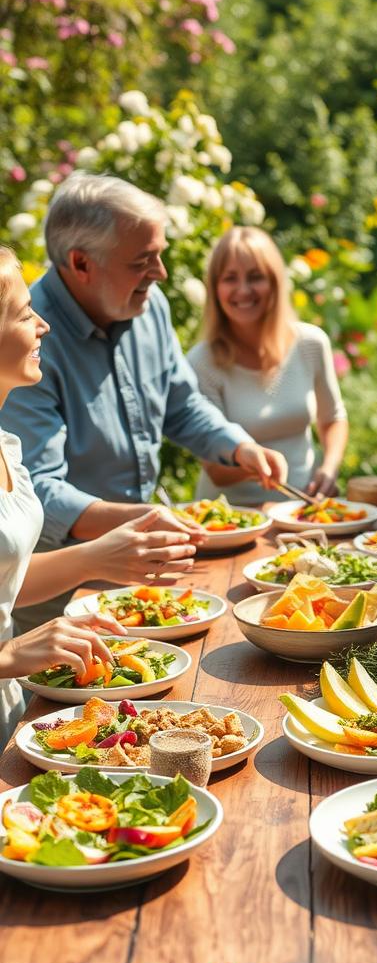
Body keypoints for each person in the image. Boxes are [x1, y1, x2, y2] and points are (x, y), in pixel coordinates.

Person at [0, 172, 288, 631]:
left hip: (139, 574)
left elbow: (180, 403)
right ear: (81, 263)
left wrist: (238, 446)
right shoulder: (24, 341)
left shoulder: (148, 305)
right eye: (143, 260)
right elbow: (42, 490)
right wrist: (147, 521)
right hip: (55, 601)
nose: (161, 273)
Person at [0, 245, 204, 745]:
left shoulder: (6, 445)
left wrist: (96, 557)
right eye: (25, 314)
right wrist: (9, 655)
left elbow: (5, 584)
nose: (43, 326)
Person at [188, 226, 348, 505]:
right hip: (232, 519)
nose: (243, 290)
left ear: (275, 282)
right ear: (214, 289)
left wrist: (329, 468)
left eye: (255, 277)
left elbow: (333, 417)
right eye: (230, 278)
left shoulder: (310, 343)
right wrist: (261, 466)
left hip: (303, 508)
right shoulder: (202, 363)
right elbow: (215, 470)